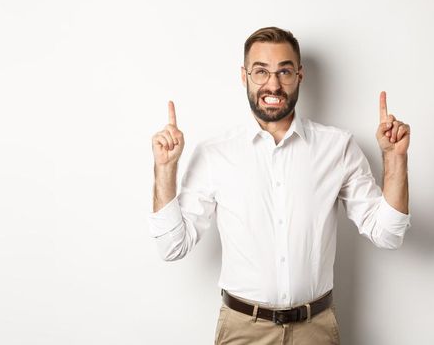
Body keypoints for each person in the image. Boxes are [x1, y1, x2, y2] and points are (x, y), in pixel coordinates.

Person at [147, 27, 411, 345]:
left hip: (316, 329)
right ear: (244, 76)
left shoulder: (337, 147)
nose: (273, 84)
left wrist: (394, 159)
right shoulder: (214, 153)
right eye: (261, 71)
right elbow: (173, 246)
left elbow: (388, 234)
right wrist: (165, 169)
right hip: (243, 330)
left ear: (299, 76)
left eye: (284, 71)